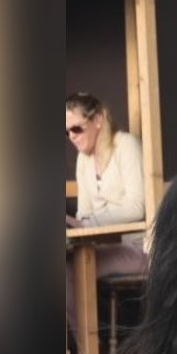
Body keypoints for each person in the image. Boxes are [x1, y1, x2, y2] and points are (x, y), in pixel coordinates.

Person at [65, 92, 146, 338]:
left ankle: (88, 353)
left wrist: (88, 222)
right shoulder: (83, 160)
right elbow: (84, 213)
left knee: (68, 273)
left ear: (98, 119)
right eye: (66, 132)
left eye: (76, 129)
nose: (72, 137)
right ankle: (85, 352)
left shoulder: (126, 146)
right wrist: (78, 224)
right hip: (101, 247)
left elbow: (136, 206)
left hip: (139, 246)